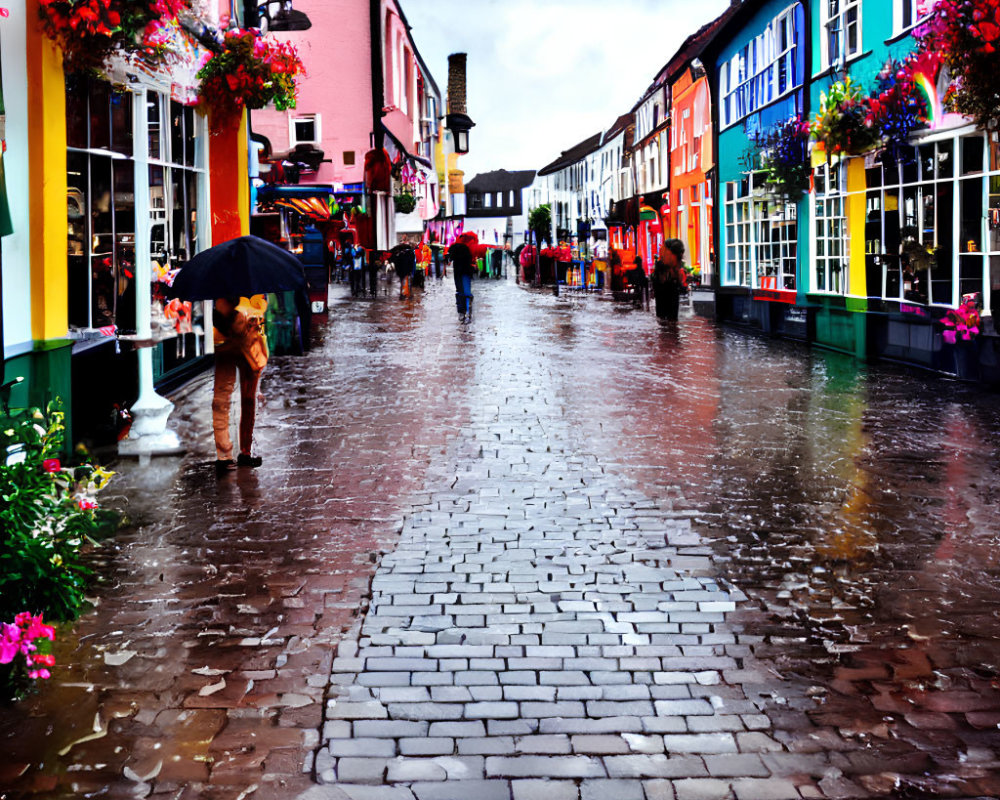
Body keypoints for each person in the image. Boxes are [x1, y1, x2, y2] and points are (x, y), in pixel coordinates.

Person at [212, 296, 268, 472]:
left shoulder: (254, 290)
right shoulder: (224, 293)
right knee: (223, 401)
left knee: (247, 401)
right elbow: (220, 315)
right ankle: (226, 455)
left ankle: (241, 453)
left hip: (248, 349)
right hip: (227, 346)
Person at [652, 239, 688, 321]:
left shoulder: (672, 266)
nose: (662, 253)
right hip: (667, 294)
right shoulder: (663, 266)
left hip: (668, 294)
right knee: (669, 320)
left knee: (666, 320)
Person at [449, 233, 476, 321]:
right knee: (466, 292)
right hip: (466, 272)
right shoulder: (469, 248)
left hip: (458, 273)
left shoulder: (454, 248)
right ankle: (468, 309)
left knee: (460, 291)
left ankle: (462, 312)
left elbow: (450, 258)